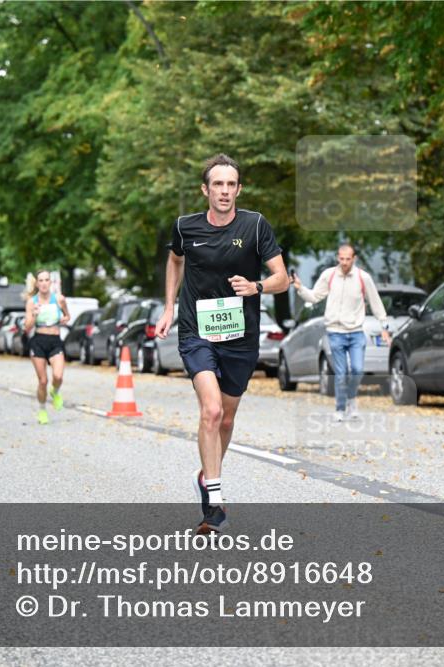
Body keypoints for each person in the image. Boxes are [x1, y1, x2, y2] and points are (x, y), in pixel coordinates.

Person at [154, 154, 289, 534]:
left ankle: (206, 475)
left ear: (239, 189)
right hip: (196, 331)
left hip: (240, 336)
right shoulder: (185, 226)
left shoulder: (255, 225)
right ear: (206, 190)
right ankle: (214, 501)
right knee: (211, 411)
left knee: (226, 418)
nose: (224, 191)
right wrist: (169, 306)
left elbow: (282, 278)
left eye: (231, 184)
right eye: (218, 184)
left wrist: (256, 286)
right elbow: (175, 261)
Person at [292, 244, 391, 421]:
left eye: (348, 259)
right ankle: (340, 408)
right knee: (341, 373)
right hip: (335, 332)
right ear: (338, 258)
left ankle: (351, 399)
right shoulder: (329, 275)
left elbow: (375, 302)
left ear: (354, 259)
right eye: (341, 258)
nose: (344, 262)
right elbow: (314, 296)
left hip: (356, 332)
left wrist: (384, 326)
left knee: (357, 370)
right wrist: (300, 288)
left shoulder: (363, 278)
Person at [23, 270, 70, 425]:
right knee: (43, 381)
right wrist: (34, 315)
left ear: (51, 282)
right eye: (41, 280)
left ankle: (55, 391)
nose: (44, 283)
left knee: (58, 376)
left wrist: (64, 319)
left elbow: (67, 316)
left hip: (55, 341)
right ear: (37, 283)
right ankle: (42, 410)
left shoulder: (59, 299)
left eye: (46, 280)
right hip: (38, 342)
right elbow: (27, 327)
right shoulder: (32, 302)